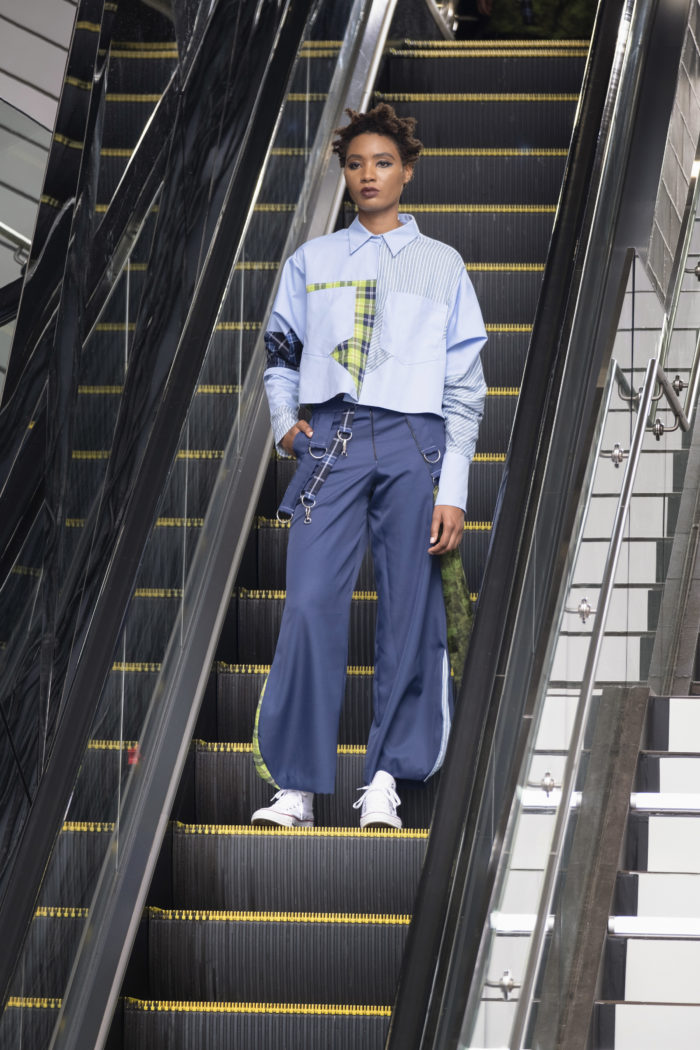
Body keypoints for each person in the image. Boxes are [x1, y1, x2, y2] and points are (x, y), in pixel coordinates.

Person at [251, 103, 487, 829]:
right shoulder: (311, 262)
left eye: (382, 163)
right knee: (310, 604)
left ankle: (385, 777)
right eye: (355, 164)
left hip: (416, 446)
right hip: (333, 443)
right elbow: (279, 357)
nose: (367, 176)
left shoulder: (443, 264)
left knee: (410, 616)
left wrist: (453, 488)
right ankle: (295, 787)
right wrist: (289, 430)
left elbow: (464, 389)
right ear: (344, 173)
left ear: (407, 172)